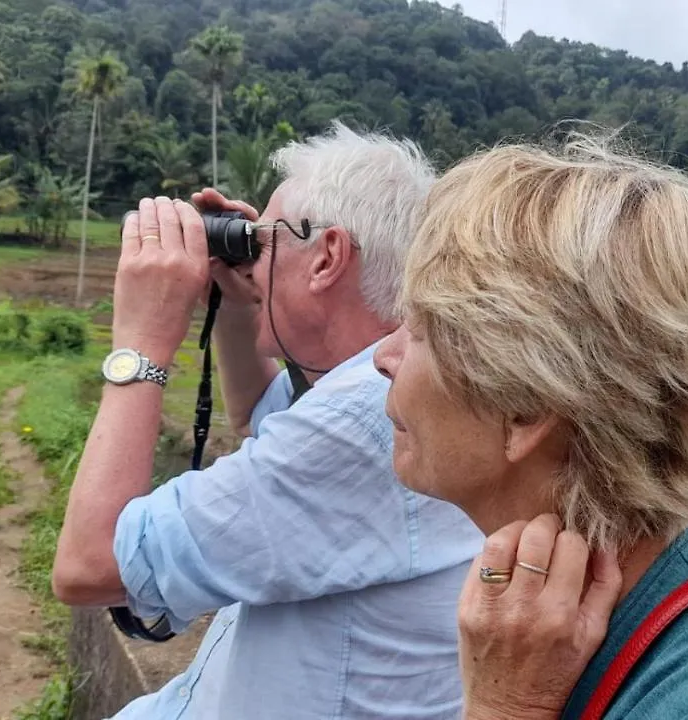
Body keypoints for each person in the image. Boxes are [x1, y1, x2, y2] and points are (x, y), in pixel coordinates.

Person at [373, 136, 688, 719]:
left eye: (420, 332)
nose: (384, 356)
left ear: (524, 407)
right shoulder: (556, 613)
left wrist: (505, 707)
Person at [51, 122, 483, 719]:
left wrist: (142, 345)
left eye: (265, 242)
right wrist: (235, 299)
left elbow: (88, 564)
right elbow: (260, 415)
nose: (253, 257)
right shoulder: (373, 382)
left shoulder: (367, 414)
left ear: (327, 257)